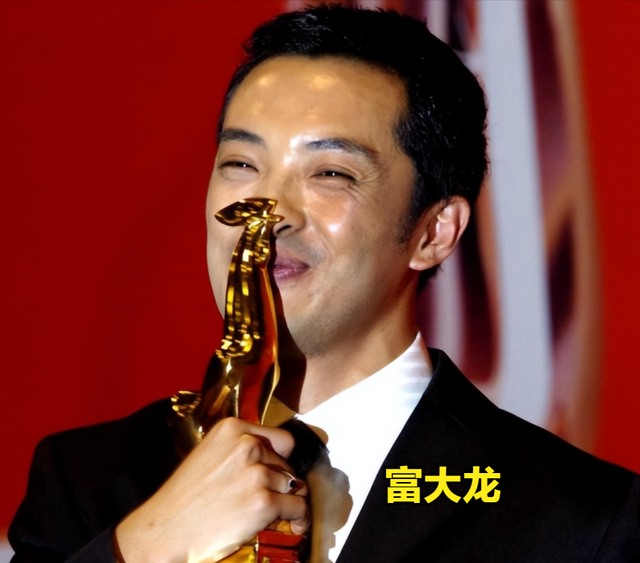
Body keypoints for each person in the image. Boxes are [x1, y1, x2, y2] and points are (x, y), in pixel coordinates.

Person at [9, 5, 640, 563]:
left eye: (331, 173)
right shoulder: (89, 481)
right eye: (241, 163)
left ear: (434, 231)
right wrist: (149, 549)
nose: (266, 211)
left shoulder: (580, 518)